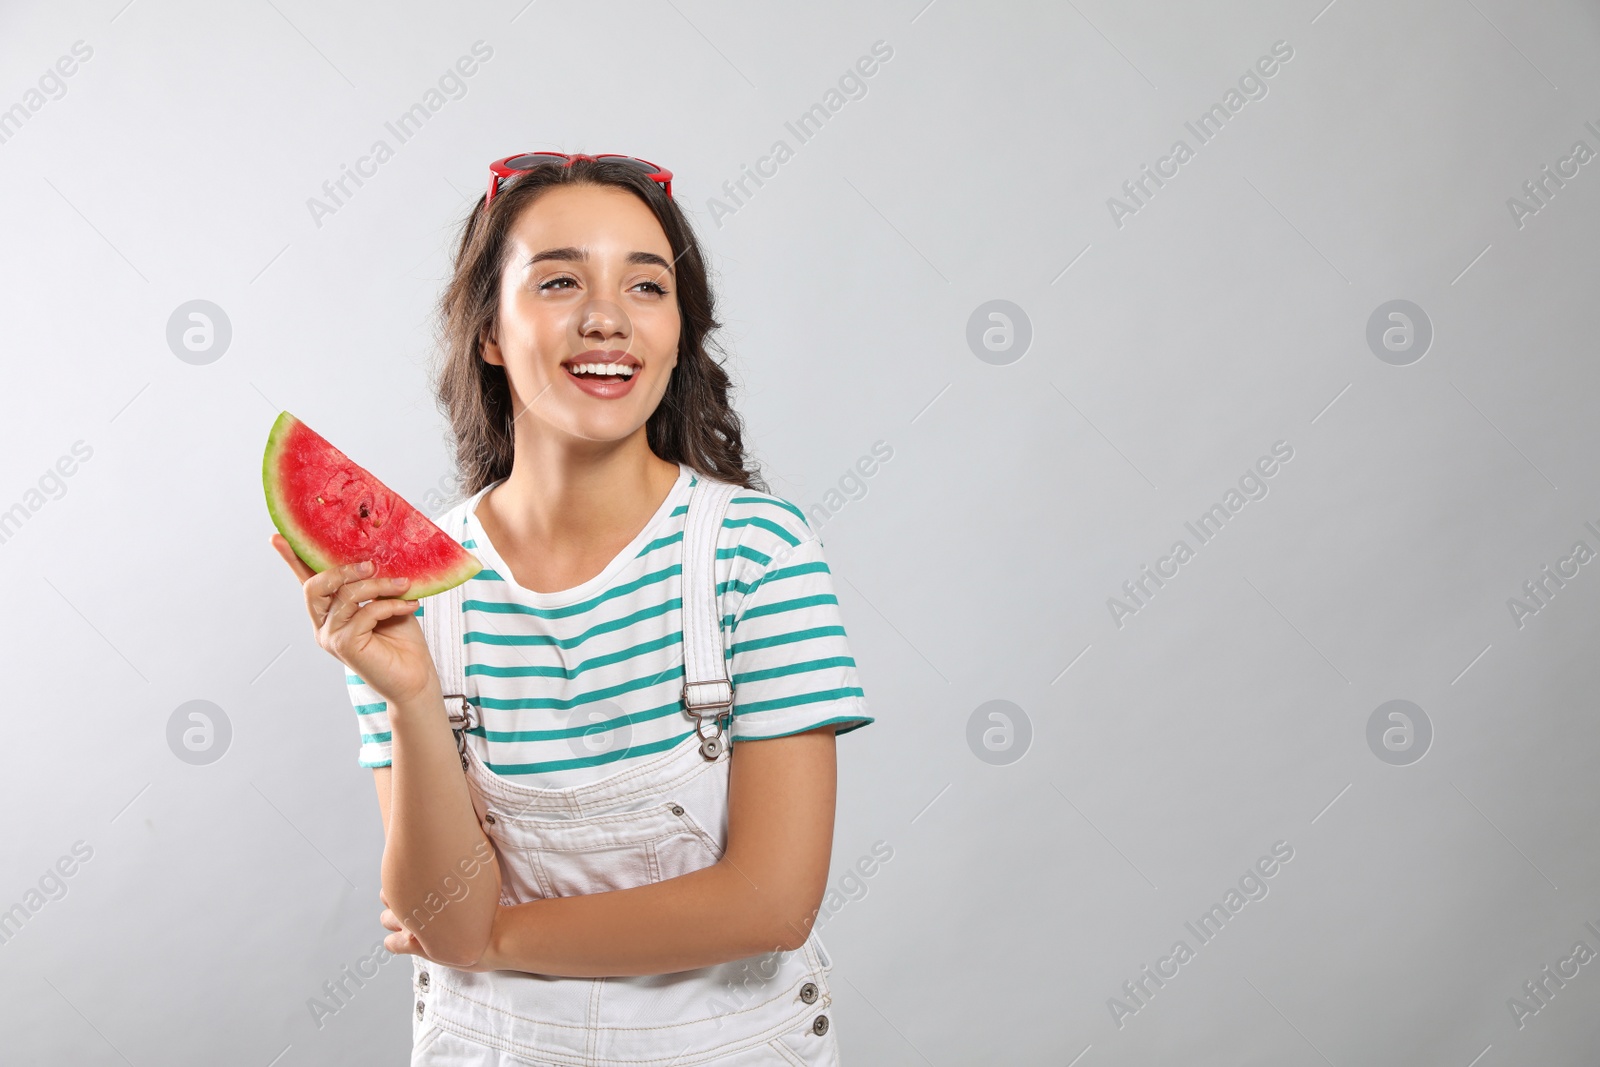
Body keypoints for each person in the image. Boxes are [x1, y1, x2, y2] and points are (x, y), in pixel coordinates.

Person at [270, 152, 873, 1065]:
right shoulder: (404, 588)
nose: (607, 317)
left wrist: (494, 938)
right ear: (488, 331)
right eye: (558, 279)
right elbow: (441, 907)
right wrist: (408, 697)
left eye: (647, 285)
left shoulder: (758, 555)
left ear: (677, 331)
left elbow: (771, 903)